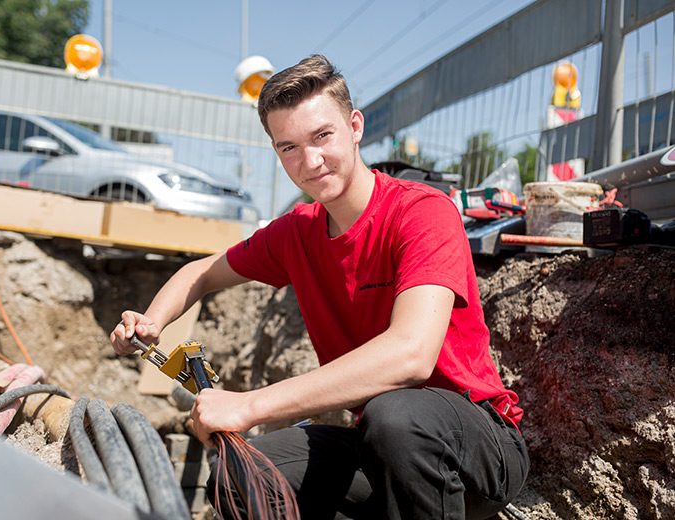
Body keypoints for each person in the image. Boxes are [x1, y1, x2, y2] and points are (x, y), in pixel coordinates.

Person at [110, 54, 529, 519]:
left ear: (354, 126)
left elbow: (411, 356)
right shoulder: (297, 233)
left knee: (397, 418)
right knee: (242, 476)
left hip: (474, 449)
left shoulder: (422, 212)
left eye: (322, 136)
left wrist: (252, 406)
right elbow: (202, 272)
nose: (310, 161)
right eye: (288, 147)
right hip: (382, 449)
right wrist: (150, 322)